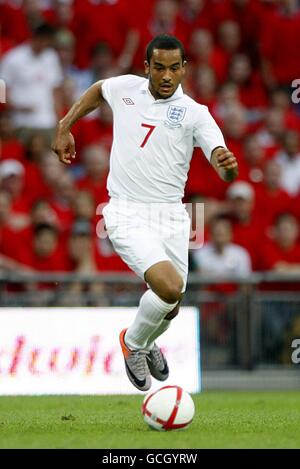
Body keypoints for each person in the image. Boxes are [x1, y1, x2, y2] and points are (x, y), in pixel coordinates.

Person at [52, 34, 238, 391]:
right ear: (146, 67)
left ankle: (147, 341)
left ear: (184, 69)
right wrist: (65, 125)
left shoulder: (196, 114)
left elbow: (221, 159)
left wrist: (227, 167)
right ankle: (133, 343)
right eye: (159, 68)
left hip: (171, 217)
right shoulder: (125, 89)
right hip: (125, 211)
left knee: (170, 305)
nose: (166, 76)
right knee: (168, 287)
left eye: (174, 68)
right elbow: (98, 90)